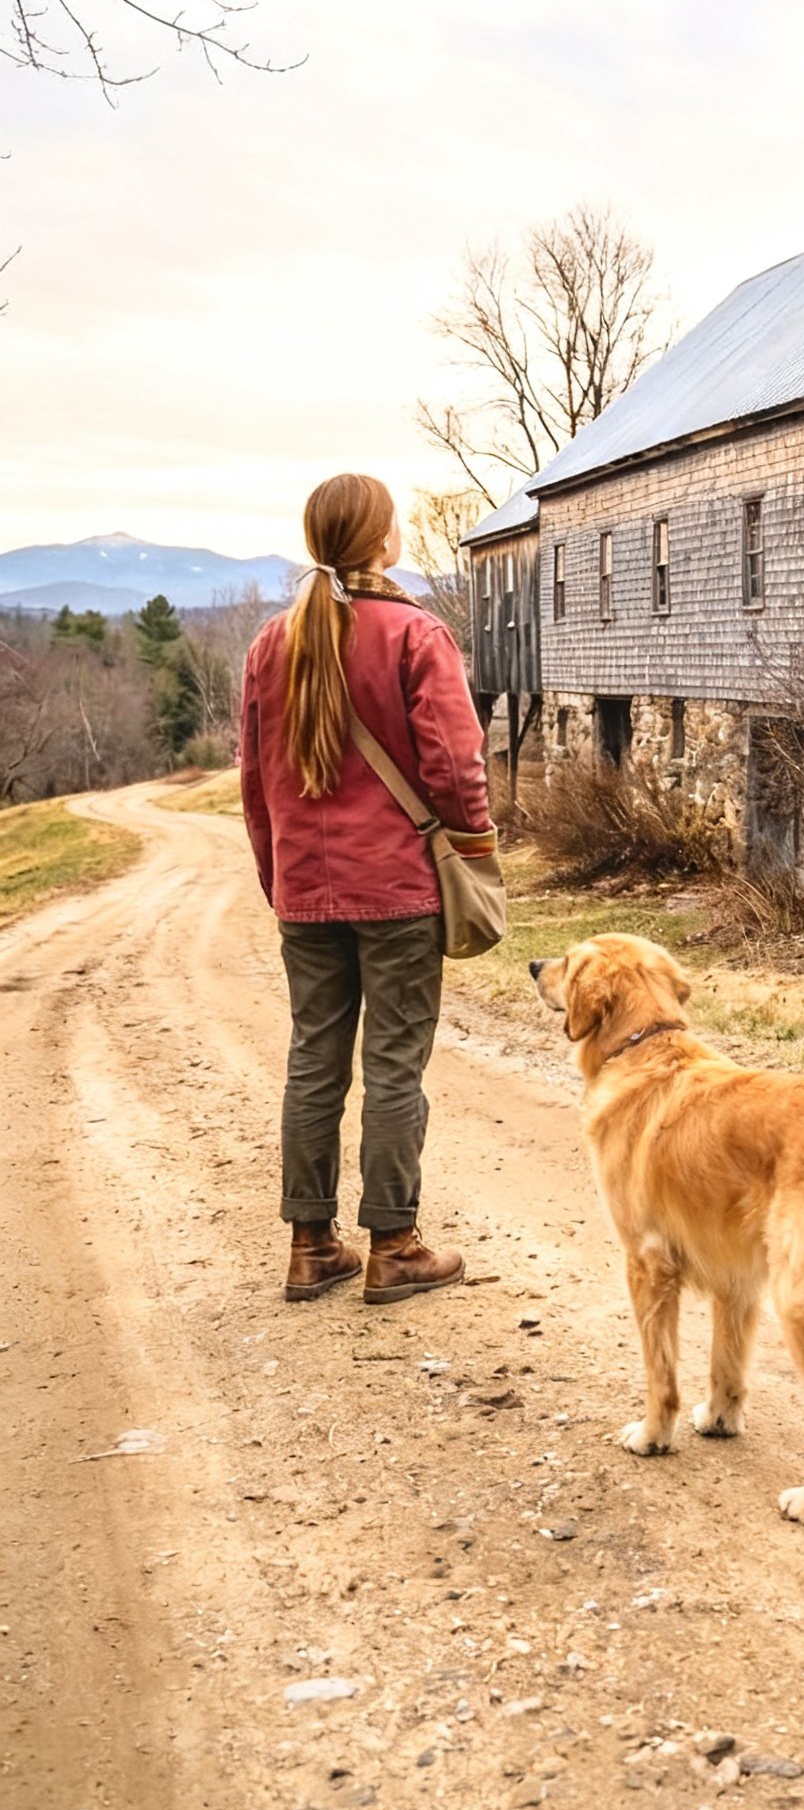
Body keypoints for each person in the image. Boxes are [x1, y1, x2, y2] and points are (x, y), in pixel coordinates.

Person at [240, 473, 495, 1303]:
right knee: (394, 1065)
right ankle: (396, 1246)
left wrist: (280, 878)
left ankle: (312, 1247)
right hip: (396, 890)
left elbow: (255, 783)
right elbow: (454, 766)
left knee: (314, 1058)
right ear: (383, 541)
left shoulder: (270, 644)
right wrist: (476, 845)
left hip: (307, 894)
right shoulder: (415, 635)